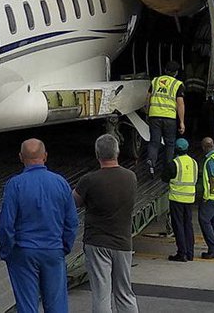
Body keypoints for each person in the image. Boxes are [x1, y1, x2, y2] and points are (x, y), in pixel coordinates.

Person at [0, 138, 78, 313]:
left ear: (21, 157)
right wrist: (63, 247)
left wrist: (8, 251)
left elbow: (6, 225)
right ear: (46, 156)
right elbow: (72, 222)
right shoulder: (61, 183)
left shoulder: (15, 185)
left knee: (27, 306)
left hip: (23, 252)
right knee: (56, 305)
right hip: (53, 251)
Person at [73, 133, 139, 313]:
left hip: (97, 242)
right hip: (123, 243)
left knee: (101, 294)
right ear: (117, 153)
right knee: (124, 292)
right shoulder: (130, 177)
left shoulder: (89, 180)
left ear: (97, 154)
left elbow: (74, 202)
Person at [145, 62, 185, 177]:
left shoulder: (155, 81)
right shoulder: (177, 84)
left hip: (154, 116)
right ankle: (167, 169)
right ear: (176, 73)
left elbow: (148, 98)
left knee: (154, 142)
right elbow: (180, 104)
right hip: (169, 118)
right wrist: (182, 122)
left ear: (165, 70)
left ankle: (151, 162)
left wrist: (147, 113)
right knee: (170, 143)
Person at [166, 138, 196, 262]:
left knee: (178, 226)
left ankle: (181, 253)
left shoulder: (174, 163)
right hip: (189, 198)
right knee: (188, 225)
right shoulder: (194, 162)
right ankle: (190, 253)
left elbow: (164, 177)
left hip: (177, 199)